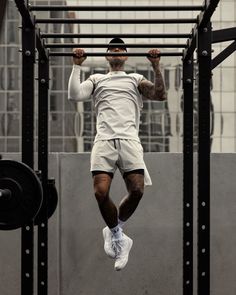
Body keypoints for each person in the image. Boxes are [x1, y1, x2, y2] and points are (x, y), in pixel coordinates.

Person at [68, 38, 167, 271]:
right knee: (100, 192)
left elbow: (160, 95)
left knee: (137, 191)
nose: (116, 50)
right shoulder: (97, 79)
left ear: (126, 56)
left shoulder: (135, 80)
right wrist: (76, 65)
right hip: (103, 141)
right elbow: (75, 95)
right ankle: (118, 236)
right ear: (106, 56)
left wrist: (156, 66)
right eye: (112, 48)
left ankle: (115, 229)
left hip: (130, 141)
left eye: (121, 48)